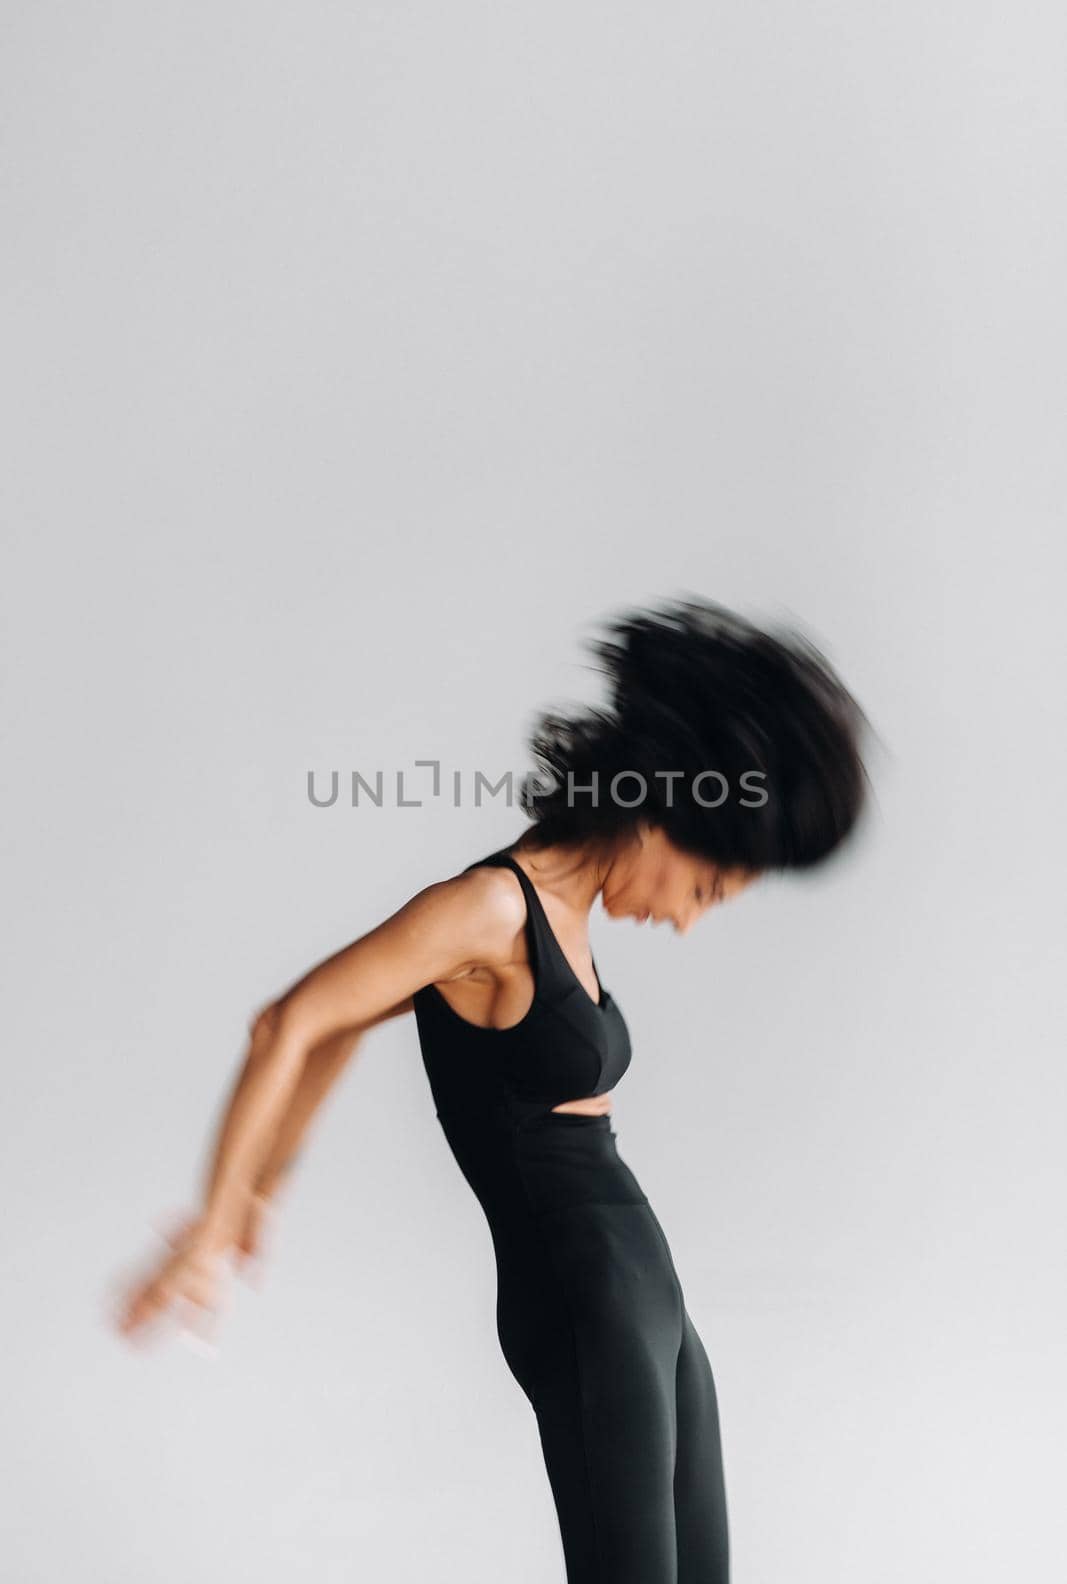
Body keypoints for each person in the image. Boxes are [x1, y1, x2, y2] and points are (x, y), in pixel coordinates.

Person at [115, 595, 872, 1582]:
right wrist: (219, 1218)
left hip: (650, 1295)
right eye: (705, 889)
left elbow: (340, 1030)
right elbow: (289, 1022)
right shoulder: (485, 911)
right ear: (658, 819)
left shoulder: (560, 917)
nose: (687, 921)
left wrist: (266, 1185)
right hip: (582, 1297)